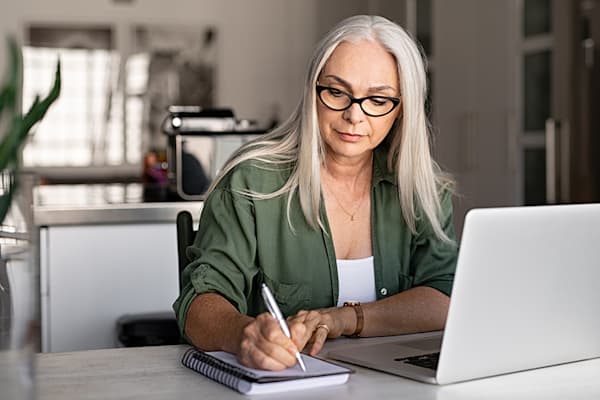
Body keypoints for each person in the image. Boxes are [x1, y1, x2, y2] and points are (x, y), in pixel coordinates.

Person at [173, 15, 458, 371]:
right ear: (313, 91)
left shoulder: (422, 189)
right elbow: (198, 303)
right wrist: (242, 334)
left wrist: (343, 319)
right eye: (337, 92)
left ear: (401, 110)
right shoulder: (250, 181)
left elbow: (444, 297)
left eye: (378, 99)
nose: (354, 115)